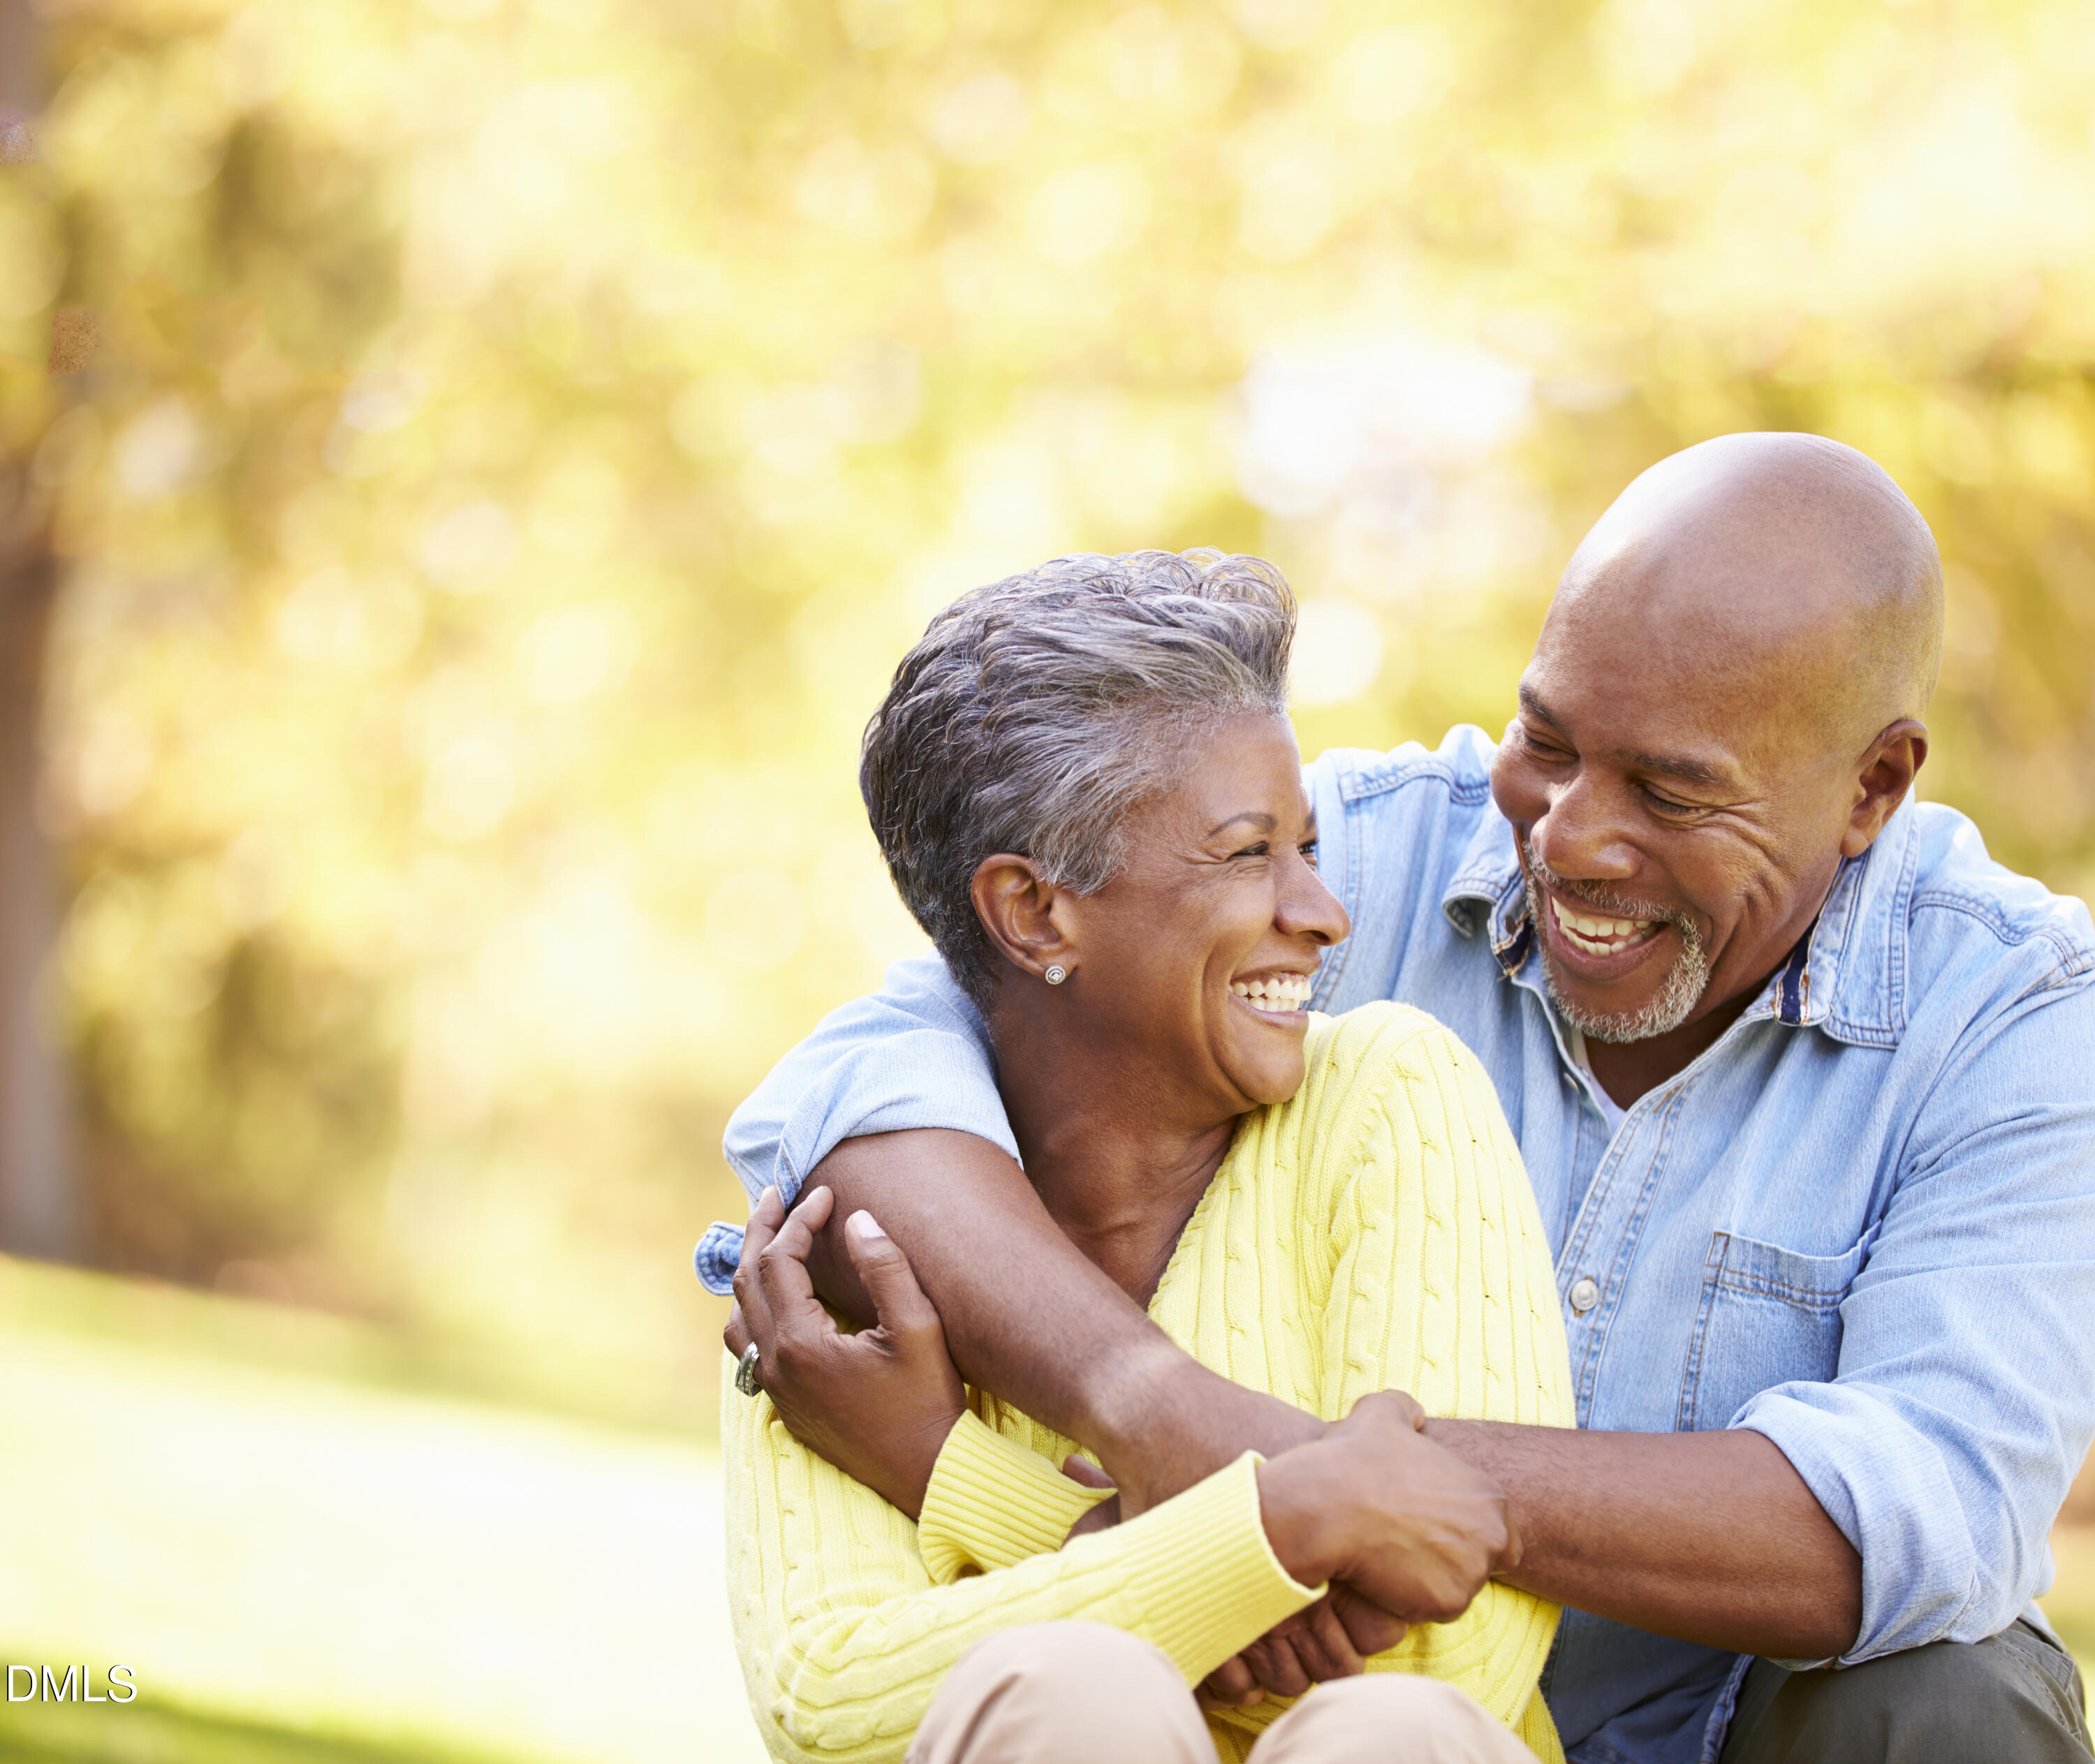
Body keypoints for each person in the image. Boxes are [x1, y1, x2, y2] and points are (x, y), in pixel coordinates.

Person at [708, 433, 2095, 1764]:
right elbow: (877, 1076)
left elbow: (1922, 1513)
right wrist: (1163, 1414)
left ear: (1874, 787)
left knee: (1961, 1699)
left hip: (1716, 1731)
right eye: (1546, 740)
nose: (1569, 837)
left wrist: (1325, 1494)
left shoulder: (2019, 1017)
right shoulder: (1354, 856)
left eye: (1672, 792)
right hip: (1304, 1718)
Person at [710, 550, 1579, 1763]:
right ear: (1035, 912)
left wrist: (950, 1472)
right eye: (1246, 853)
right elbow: (833, 1699)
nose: (1325, 915)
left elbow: (1456, 1657)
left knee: (1385, 1729)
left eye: (1310, 849)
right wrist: (1282, 1528)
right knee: (1067, 1696)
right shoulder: (839, 1255)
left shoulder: (1389, 1094)